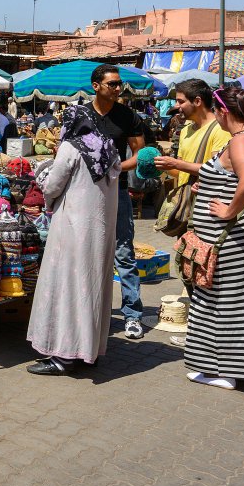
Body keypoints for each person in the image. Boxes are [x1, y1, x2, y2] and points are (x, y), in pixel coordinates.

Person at [181, 85, 244, 389]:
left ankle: (224, 372)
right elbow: (235, 179)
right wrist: (208, 186)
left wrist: (229, 210)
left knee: (224, 302)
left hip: (232, 238)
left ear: (223, 111)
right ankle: (242, 367)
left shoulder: (240, 142)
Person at [26, 105, 121, 375]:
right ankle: (87, 350)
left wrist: (43, 180)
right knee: (91, 287)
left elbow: (53, 186)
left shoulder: (71, 147)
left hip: (72, 228)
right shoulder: (109, 147)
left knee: (67, 287)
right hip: (100, 232)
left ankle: (64, 356)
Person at [87, 64, 147, 339]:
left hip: (118, 191)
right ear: (96, 86)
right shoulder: (81, 115)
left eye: (119, 84)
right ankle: (92, 311)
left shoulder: (128, 117)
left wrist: (116, 168)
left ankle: (132, 314)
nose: (118, 88)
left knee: (123, 252)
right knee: (89, 253)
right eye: (112, 84)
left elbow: (141, 154)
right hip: (85, 194)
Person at [154, 78, 232, 191]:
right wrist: (162, 165)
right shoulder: (186, 130)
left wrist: (175, 163)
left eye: (181, 101)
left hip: (206, 202)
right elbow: (181, 172)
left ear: (197, 101)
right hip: (185, 199)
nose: (176, 106)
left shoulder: (220, 129)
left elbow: (218, 170)